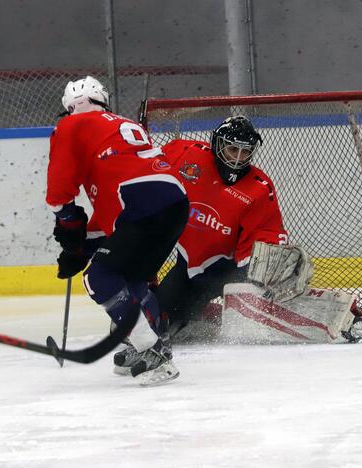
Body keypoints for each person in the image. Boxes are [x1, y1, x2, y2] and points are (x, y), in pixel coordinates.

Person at [112, 116, 290, 373]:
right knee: (156, 323)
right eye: (232, 149)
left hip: (228, 272)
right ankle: (197, 316)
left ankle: (201, 312)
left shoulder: (259, 188)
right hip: (189, 266)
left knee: (240, 311)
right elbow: (147, 166)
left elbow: (265, 234)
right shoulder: (187, 155)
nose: (238, 158)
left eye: (245, 151)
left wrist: (259, 279)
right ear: (217, 145)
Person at [46, 76, 189, 386]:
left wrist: (68, 223)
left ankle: (153, 352)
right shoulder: (117, 127)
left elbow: (60, 190)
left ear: (70, 108)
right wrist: (80, 247)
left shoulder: (71, 126)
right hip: (172, 202)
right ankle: (155, 345)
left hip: (141, 205)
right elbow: (113, 210)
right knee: (131, 277)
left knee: (98, 278)